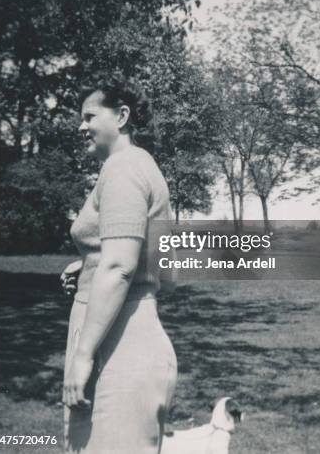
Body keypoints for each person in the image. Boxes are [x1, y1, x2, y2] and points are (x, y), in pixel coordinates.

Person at [61, 80, 178, 454]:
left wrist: (84, 356)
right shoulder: (142, 167)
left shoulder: (123, 168)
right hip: (131, 333)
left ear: (122, 116)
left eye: (89, 116)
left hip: (120, 346)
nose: (81, 126)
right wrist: (91, 262)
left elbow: (119, 269)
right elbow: (167, 276)